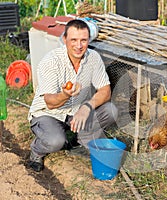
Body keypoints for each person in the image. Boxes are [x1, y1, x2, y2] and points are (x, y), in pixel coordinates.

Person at [27, 19, 118, 172]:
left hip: (76, 112)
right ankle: (36, 151)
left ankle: (83, 139)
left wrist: (87, 107)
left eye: (83, 40)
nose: (79, 45)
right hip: (49, 113)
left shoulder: (93, 58)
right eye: (73, 40)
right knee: (56, 141)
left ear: (89, 40)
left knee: (111, 110)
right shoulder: (51, 61)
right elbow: (49, 102)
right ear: (65, 40)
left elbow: (105, 90)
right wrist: (64, 95)